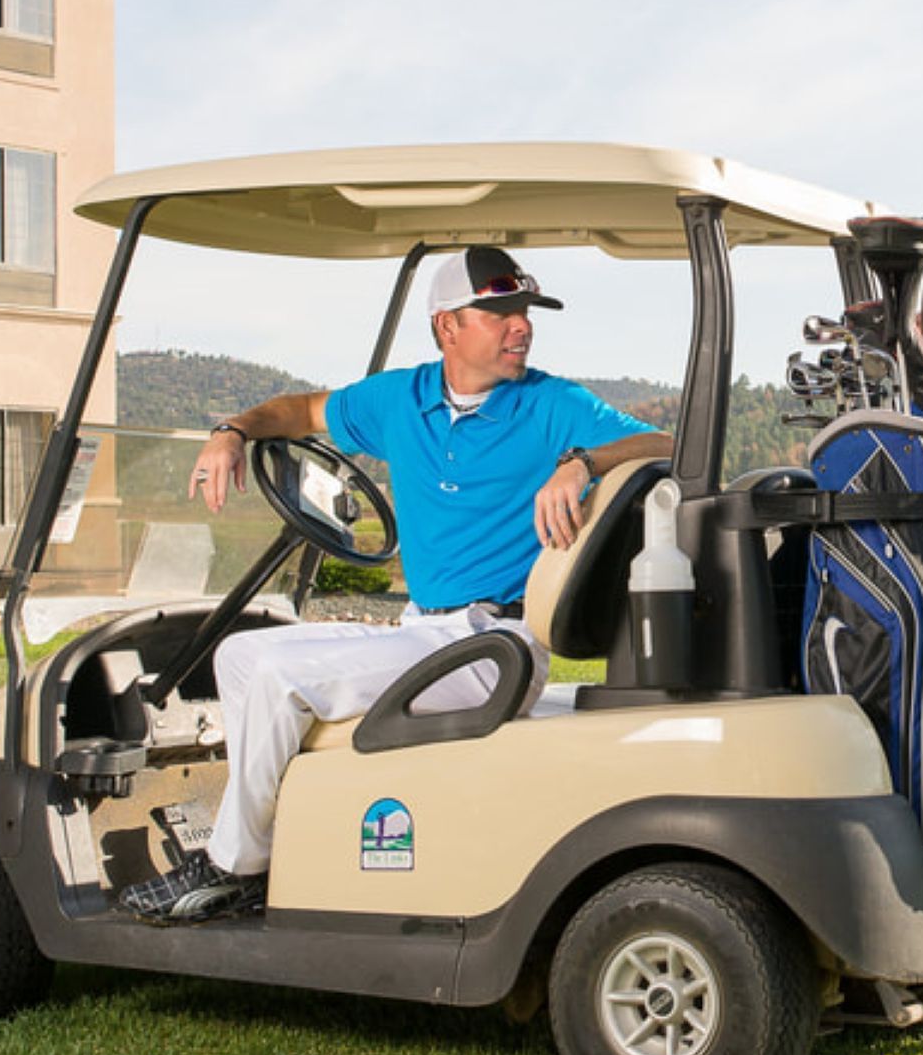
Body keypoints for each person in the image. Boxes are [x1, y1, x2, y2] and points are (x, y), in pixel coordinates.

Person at [119, 246, 674, 921]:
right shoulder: (399, 401)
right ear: (446, 326)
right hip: (425, 631)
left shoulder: (552, 405)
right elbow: (298, 410)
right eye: (499, 313)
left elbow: (667, 442)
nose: (520, 326)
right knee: (238, 654)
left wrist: (582, 461)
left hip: (495, 645)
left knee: (276, 675)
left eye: (524, 312)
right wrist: (233, 431)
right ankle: (271, 844)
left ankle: (234, 867)